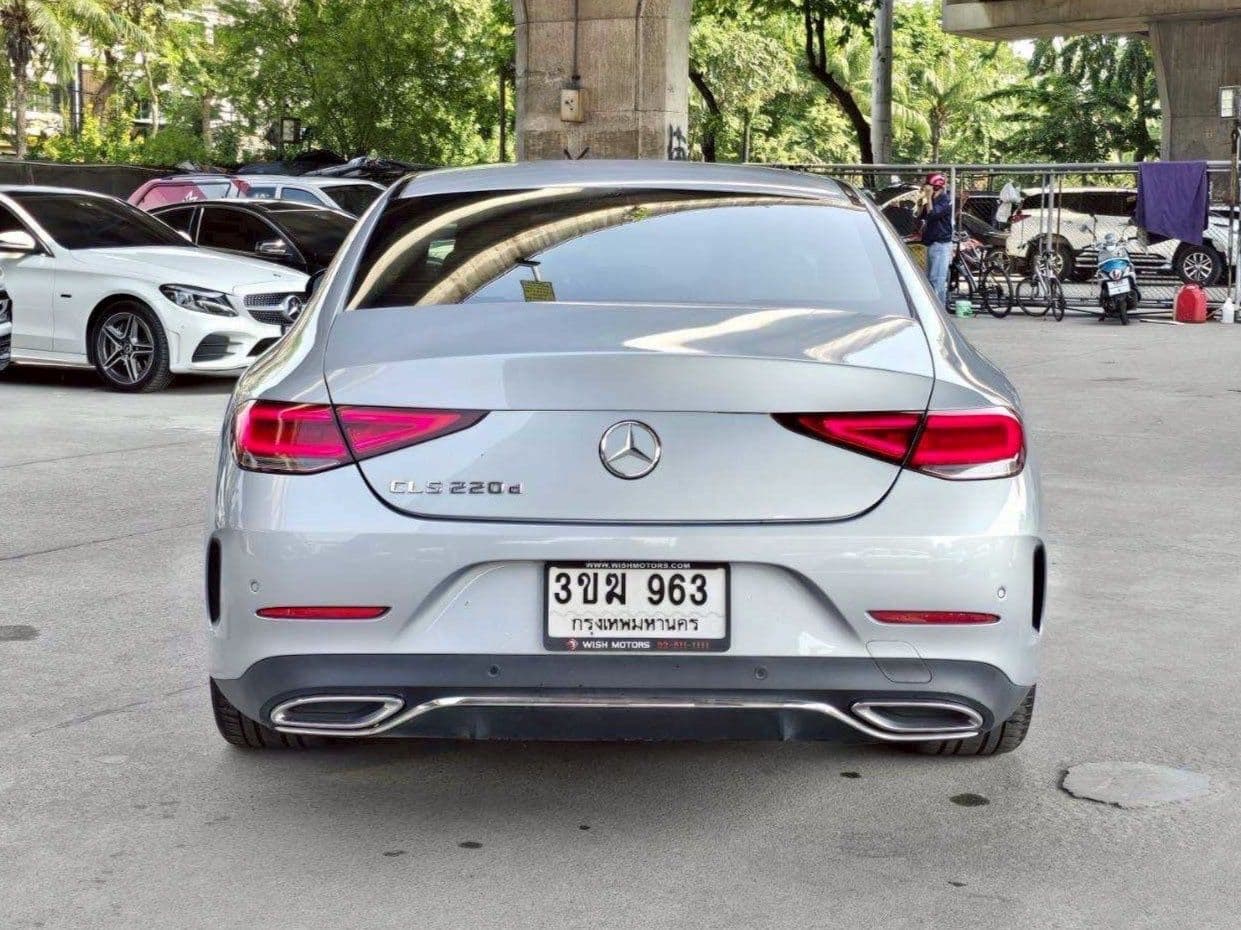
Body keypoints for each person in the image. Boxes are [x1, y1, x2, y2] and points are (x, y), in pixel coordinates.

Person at [917, 173, 953, 309]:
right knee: (929, 280)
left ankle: (940, 311)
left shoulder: (945, 200)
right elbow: (921, 215)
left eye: (928, 186)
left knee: (937, 280)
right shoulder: (931, 199)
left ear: (935, 186)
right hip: (930, 243)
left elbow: (933, 214)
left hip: (941, 244)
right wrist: (921, 201)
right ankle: (932, 309)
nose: (926, 188)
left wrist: (928, 198)